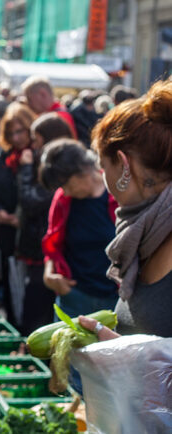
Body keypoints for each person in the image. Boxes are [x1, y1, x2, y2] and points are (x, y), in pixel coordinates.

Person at [79, 79, 172, 339]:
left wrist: (125, 353)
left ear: (124, 165)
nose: (101, 176)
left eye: (103, 166)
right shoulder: (149, 234)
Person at [39, 139, 119, 319]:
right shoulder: (63, 200)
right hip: (74, 299)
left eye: (66, 185)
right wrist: (49, 274)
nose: (65, 192)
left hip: (116, 300)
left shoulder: (117, 195)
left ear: (82, 172)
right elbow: (53, 244)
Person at [15, 113, 74, 335]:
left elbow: (31, 201)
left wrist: (25, 169)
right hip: (43, 252)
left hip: (45, 254)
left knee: (39, 316)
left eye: (37, 140)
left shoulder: (55, 171)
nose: (33, 145)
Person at [0, 102, 36, 324]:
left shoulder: (37, 157)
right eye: (12, 132)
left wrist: (22, 220)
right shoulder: (2, 159)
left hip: (32, 236)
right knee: (8, 280)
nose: (16, 138)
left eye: (20, 131)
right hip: (6, 230)